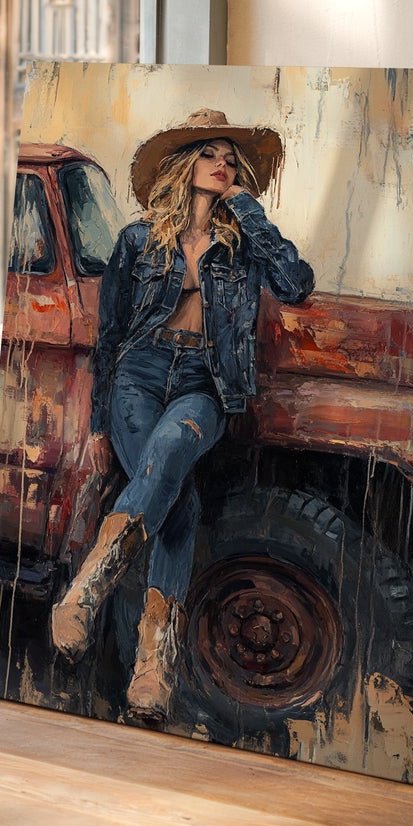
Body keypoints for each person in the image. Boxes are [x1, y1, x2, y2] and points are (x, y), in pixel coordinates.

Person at [49, 108, 315, 724]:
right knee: (182, 507)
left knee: (172, 452)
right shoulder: (137, 241)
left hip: (205, 381)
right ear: (183, 167)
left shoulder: (243, 245)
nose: (221, 163)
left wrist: (250, 213)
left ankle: (91, 582)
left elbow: (296, 283)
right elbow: (110, 337)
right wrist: (96, 428)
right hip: (138, 376)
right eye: (207, 153)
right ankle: (153, 664)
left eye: (230, 156)